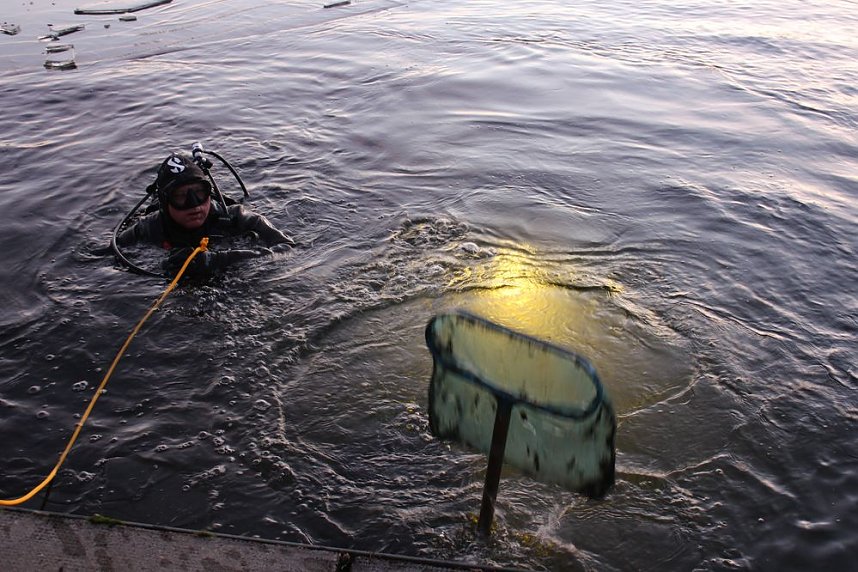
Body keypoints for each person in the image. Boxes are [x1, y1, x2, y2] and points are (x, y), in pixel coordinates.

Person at [116, 152, 293, 277]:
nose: (194, 205)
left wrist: (216, 260)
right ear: (165, 202)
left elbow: (288, 249)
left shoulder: (237, 218)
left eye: (200, 193)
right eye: (181, 196)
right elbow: (103, 258)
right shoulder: (148, 228)